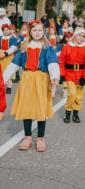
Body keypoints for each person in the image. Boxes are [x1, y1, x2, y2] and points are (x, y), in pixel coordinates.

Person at [3, 20, 60, 152]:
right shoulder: (24, 46)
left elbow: (52, 62)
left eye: (40, 30)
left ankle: (40, 138)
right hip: (27, 78)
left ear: (43, 32)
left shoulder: (47, 47)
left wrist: (55, 76)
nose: (37, 33)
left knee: (41, 108)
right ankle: (27, 137)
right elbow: (14, 63)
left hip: (41, 79)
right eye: (34, 30)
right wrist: (4, 78)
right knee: (27, 107)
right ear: (30, 32)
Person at [59, 27, 85, 124]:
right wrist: (62, 74)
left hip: (81, 74)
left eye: (83, 36)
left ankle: (75, 113)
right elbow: (61, 61)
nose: (81, 38)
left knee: (79, 96)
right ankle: (68, 112)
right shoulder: (67, 47)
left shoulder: (84, 48)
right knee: (72, 94)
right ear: (74, 36)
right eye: (79, 35)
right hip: (70, 74)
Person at [0, 24, 18, 94]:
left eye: (7, 30)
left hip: (8, 57)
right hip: (1, 56)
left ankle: (9, 87)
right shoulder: (1, 37)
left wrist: (6, 53)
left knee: (9, 71)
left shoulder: (12, 38)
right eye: (4, 30)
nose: (6, 32)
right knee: (1, 71)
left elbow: (13, 47)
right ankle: (2, 86)